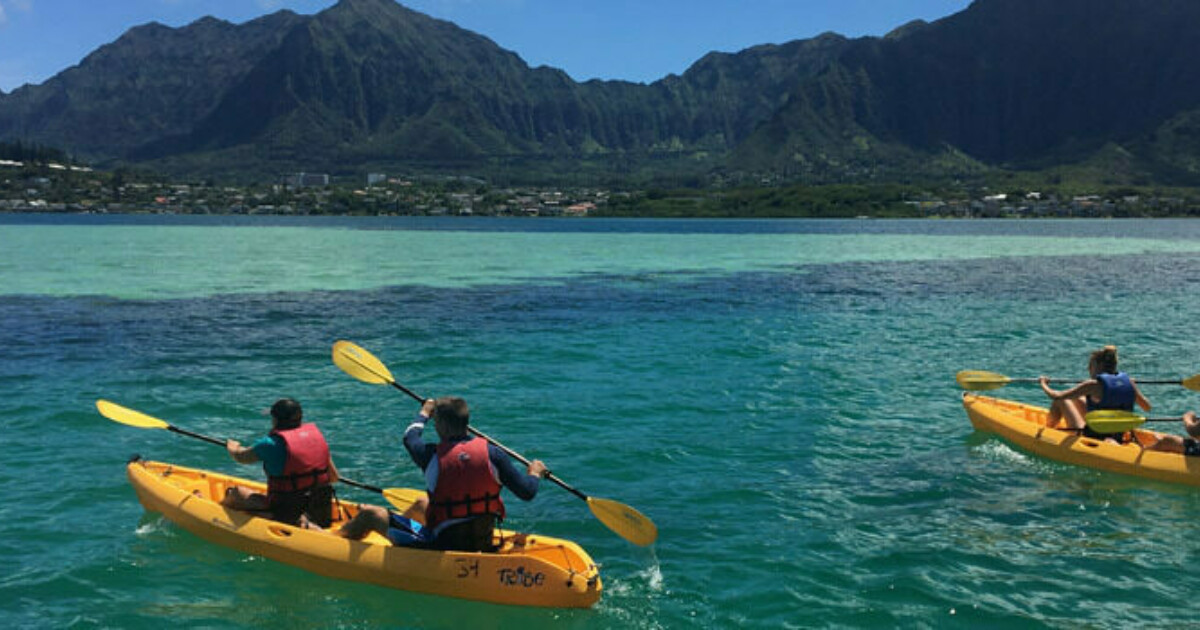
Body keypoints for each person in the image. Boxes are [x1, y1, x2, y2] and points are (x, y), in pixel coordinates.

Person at [338, 396, 547, 552]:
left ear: (443, 425)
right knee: (421, 503)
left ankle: (333, 539)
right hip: (482, 541)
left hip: (440, 547)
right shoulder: (494, 455)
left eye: (436, 422)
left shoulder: (431, 456)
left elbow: (410, 437)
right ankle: (397, 532)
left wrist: (423, 413)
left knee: (371, 514)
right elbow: (527, 492)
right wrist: (534, 473)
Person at [221, 398, 339, 529]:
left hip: (285, 513)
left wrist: (233, 446)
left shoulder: (269, 444)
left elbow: (240, 457)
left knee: (237, 493)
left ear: (275, 420)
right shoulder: (316, 440)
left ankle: (218, 517)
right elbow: (334, 477)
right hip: (320, 510)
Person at [1039, 345, 1151, 443]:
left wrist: (1043, 383)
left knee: (1062, 400)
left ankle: (1048, 430)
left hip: (1091, 438)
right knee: (1079, 399)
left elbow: (1055, 395)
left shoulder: (1092, 386)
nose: (1088, 370)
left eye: (1090, 366)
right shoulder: (1129, 383)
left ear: (1097, 366)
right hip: (1117, 436)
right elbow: (1147, 407)